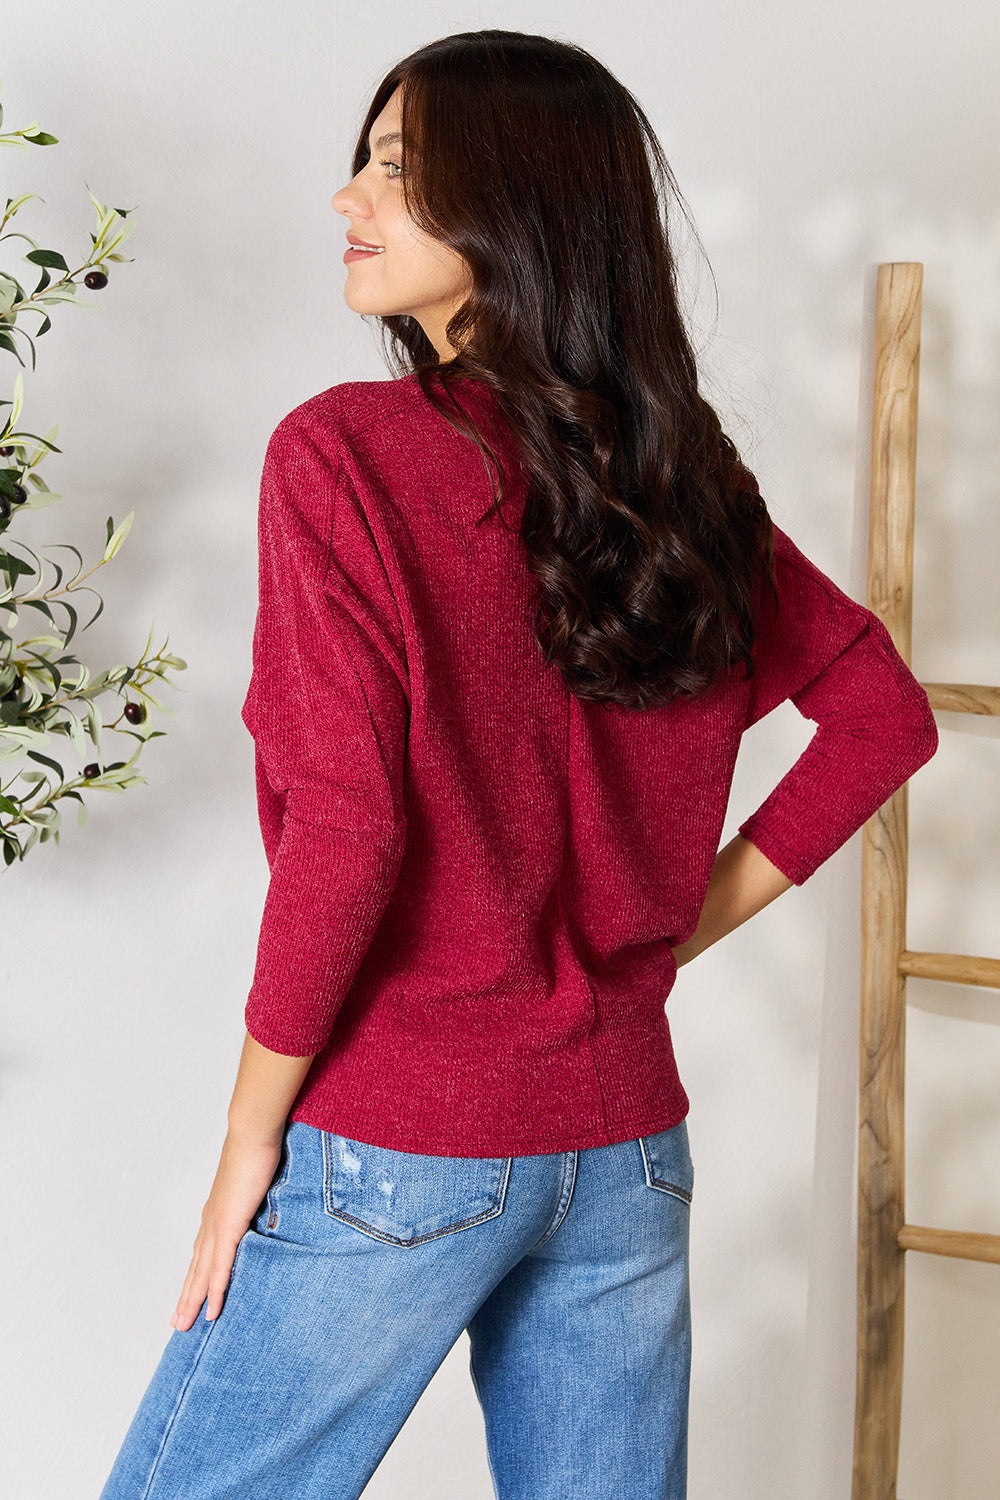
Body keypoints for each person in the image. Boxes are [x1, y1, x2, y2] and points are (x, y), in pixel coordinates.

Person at [98, 28, 938, 1500]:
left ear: (519, 209)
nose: (349, 200)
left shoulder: (344, 457)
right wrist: (657, 942)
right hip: (625, 1150)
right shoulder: (679, 478)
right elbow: (884, 713)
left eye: (401, 172)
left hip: (403, 1140)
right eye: (361, 161)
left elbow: (349, 836)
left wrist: (249, 1139)